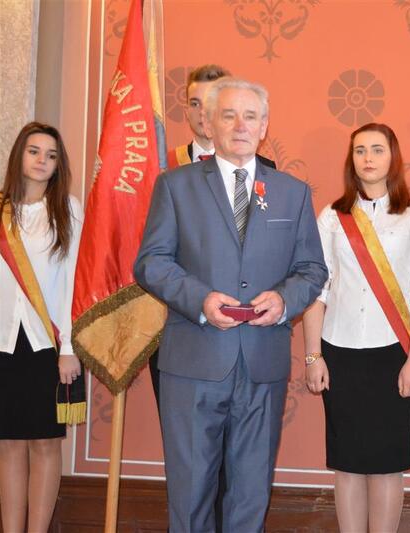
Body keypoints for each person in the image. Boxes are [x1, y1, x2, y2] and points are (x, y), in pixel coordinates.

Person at [134, 77, 327, 532]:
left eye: (251, 116)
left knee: (251, 491)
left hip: (262, 364)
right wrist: (200, 300)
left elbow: (312, 270)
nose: (241, 125)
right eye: (229, 115)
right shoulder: (175, 185)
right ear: (209, 123)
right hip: (194, 361)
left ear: (264, 126)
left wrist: (283, 300)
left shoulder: (293, 192)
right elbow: (151, 262)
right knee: (190, 492)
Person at [303, 123, 410, 533]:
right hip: (339, 352)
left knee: (387, 465)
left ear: (392, 157)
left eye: (377, 149)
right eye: (360, 150)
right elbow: (317, 289)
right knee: (346, 464)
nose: (368, 158)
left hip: (393, 354)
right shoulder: (332, 216)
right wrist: (313, 356)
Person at [0, 122, 83, 533]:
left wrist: (69, 348)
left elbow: (73, 282)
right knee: (8, 443)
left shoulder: (67, 209)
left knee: (45, 443)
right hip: (2, 342)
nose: (41, 161)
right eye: (34, 151)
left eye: (51, 156)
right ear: (19, 154)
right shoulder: (0, 209)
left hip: (47, 344)